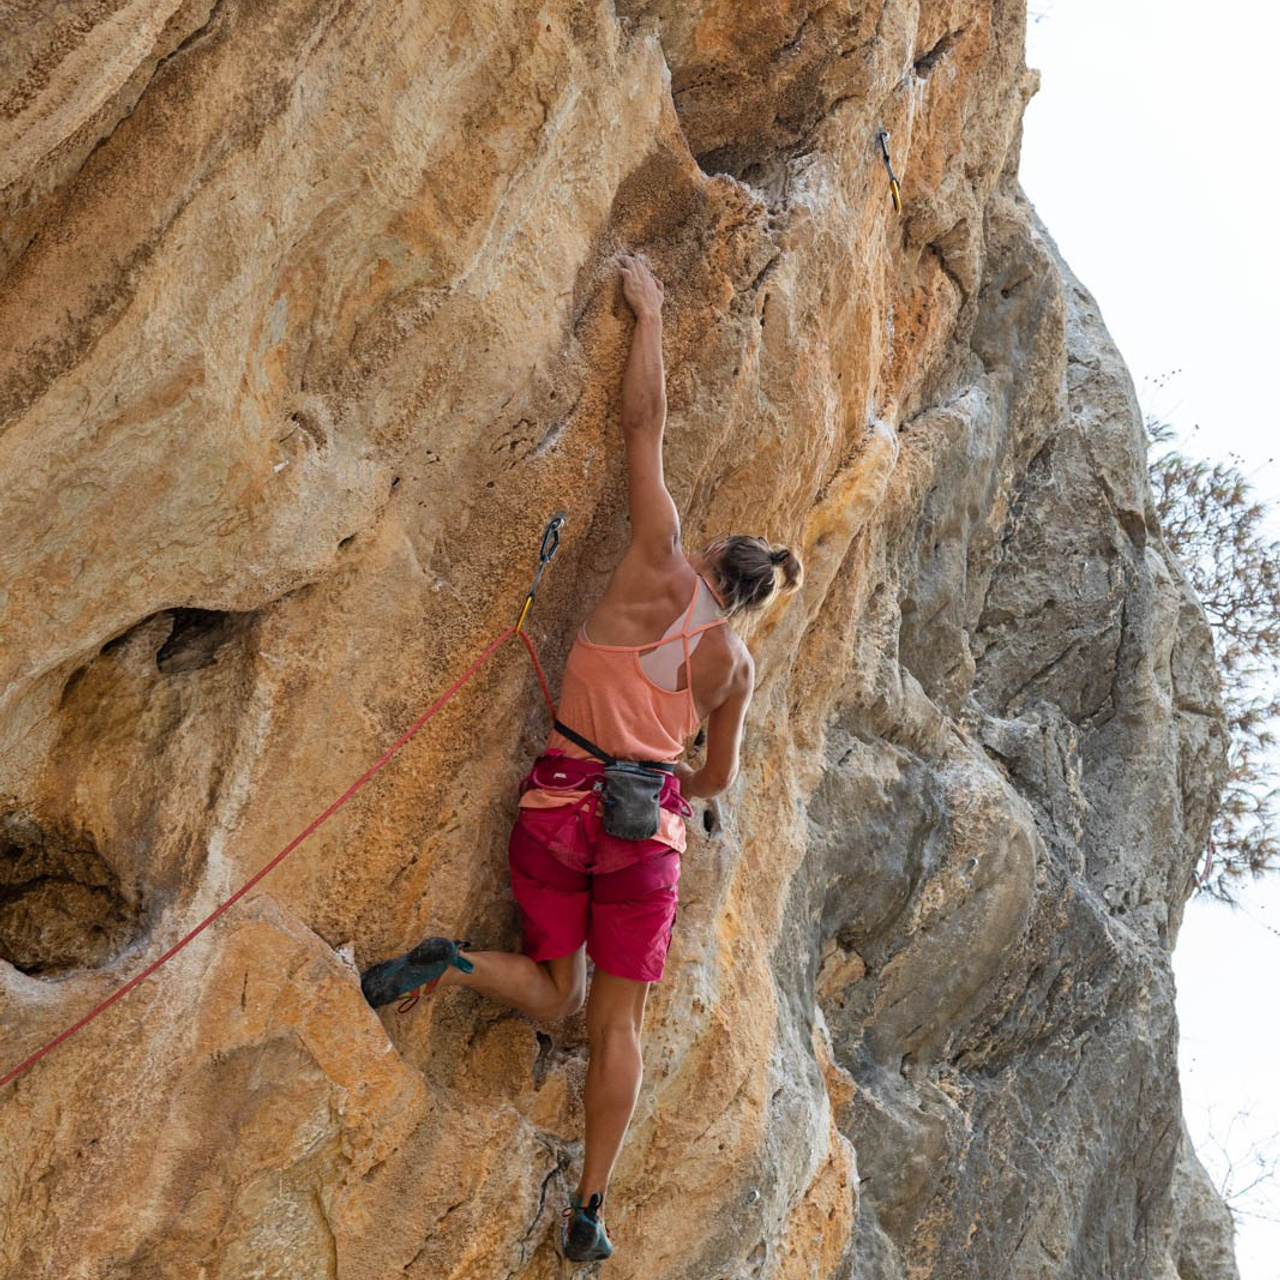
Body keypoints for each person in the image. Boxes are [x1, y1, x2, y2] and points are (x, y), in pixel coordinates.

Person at [360, 254, 802, 1263]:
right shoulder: (730, 663)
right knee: (609, 1025)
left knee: (556, 987)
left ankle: (458, 960)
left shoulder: (657, 551)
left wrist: (647, 308)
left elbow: (640, 424)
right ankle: (591, 1204)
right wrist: (667, 782)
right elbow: (718, 780)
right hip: (640, 829)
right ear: (749, 600)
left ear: (708, 559)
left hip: (556, 797)